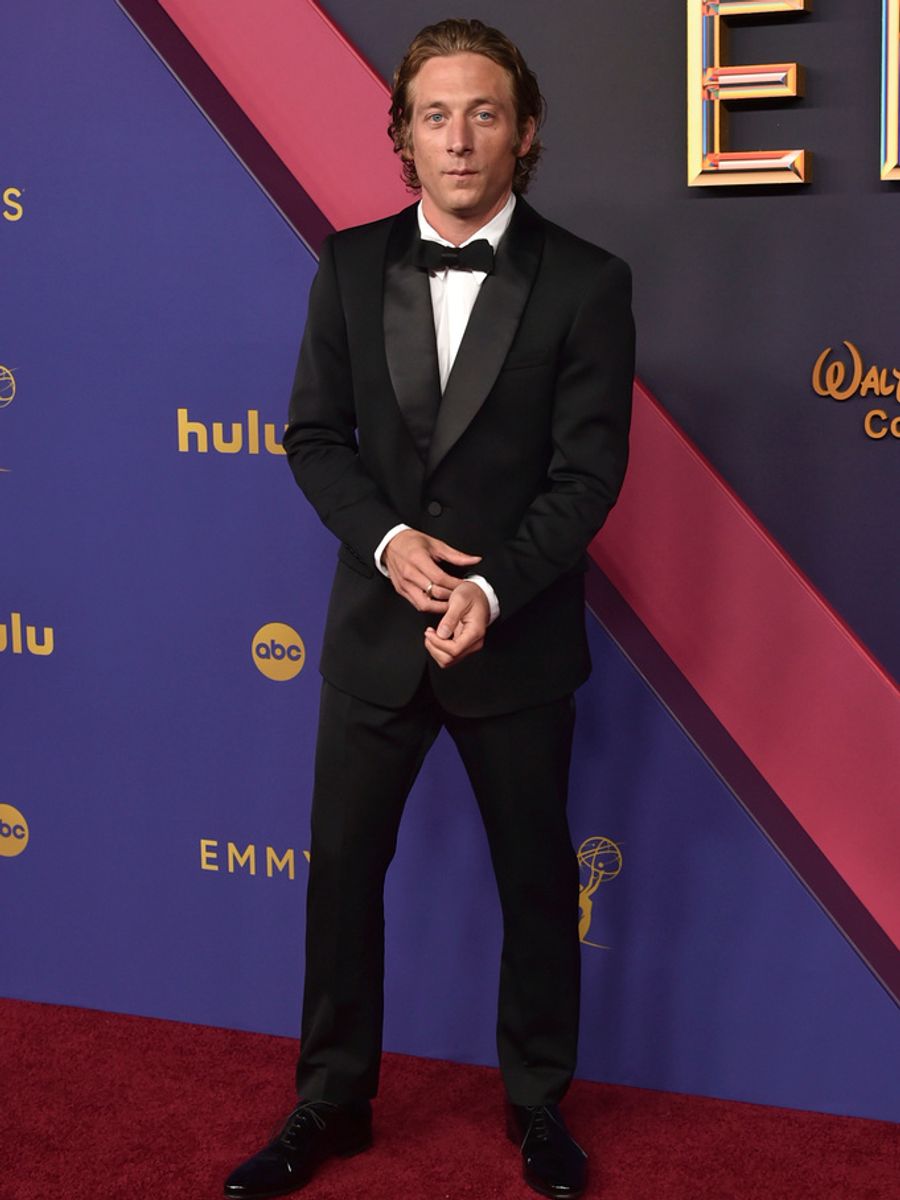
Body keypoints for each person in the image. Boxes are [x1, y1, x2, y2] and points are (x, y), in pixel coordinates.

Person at [224, 17, 634, 1200]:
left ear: (528, 129)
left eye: (485, 112)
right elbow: (314, 436)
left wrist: (495, 589)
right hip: (374, 637)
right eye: (435, 115)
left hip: (517, 640)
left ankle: (539, 1105)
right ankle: (330, 1103)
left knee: (535, 881)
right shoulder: (348, 265)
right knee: (344, 874)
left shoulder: (589, 281)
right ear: (403, 134)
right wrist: (393, 542)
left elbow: (587, 476)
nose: (460, 138)